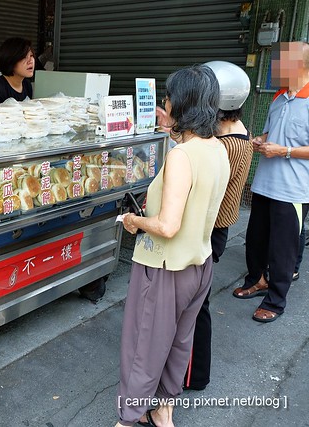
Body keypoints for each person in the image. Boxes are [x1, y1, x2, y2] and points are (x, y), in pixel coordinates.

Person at [115, 65, 230, 427]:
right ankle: (163, 410)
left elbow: (167, 225)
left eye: (168, 97)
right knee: (179, 343)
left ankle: (129, 417)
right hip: (200, 263)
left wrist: (134, 221)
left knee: (143, 347)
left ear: (180, 103)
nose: (165, 103)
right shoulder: (219, 148)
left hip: (165, 267)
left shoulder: (182, 156)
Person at [183, 61, 253, 391]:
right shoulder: (240, 134)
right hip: (215, 230)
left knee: (195, 306)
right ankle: (192, 373)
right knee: (197, 303)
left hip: (208, 231)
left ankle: (194, 375)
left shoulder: (225, 147)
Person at [233, 42, 309, 323]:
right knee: (255, 240)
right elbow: (270, 133)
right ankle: (257, 280)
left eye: (281, 62)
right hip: (264, 184)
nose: (275, 68)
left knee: (283, 249)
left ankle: (276, 301)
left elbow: (290, 146)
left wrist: (284, 151)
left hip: (293, 190)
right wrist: (261, 141)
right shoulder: (278, 97)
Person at [0, 37, 34, 104]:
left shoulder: (27, 85)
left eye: (31, 55)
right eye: (24, 57)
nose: (30, 61)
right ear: (10, 60)